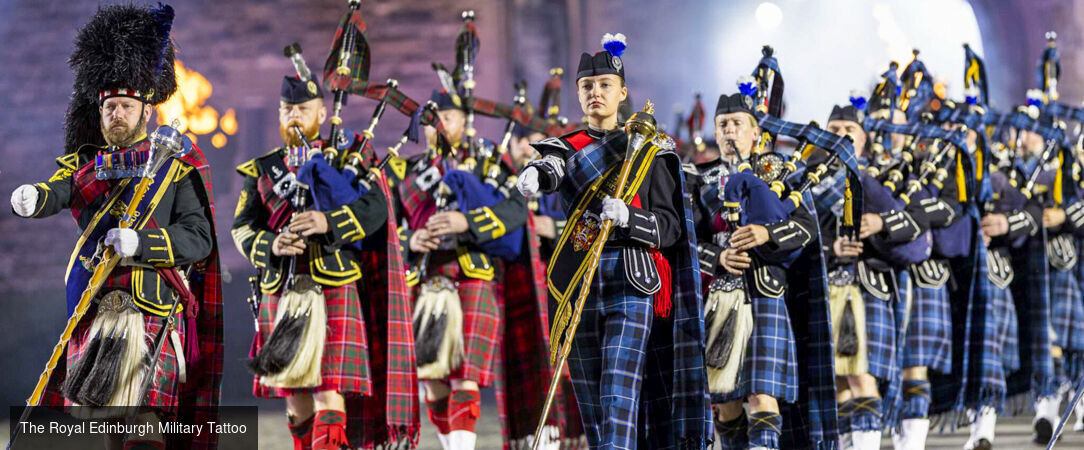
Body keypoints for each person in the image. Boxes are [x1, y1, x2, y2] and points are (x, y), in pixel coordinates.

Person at [9, 4, 222, 448]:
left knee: (143, 420)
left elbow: (198, 238)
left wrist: (139, 242)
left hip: (152, 307)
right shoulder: (88, 165)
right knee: (110, 423)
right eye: (109, 108)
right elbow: (60, 190)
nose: (115, 115)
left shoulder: (178, 165)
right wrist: (33, 199)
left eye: (125, 106)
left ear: (146, 111)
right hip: (98, 303)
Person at [518, 32, 711, 449]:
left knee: (617, 392)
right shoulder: (564, 148)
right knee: (591, 399)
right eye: (586, 86)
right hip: (578, 279)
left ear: (622, 92)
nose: (595, 93)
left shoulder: (651, 152)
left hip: (632, 279)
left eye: (604, 85)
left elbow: (671, 227)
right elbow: (552, 165)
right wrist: (538, 174)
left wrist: (630, 218)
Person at [232, 66, 418, 449]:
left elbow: (376, 208)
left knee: (329, 391)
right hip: (282, 288)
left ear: (322, 113)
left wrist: (327, 220)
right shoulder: (263, 169)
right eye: (287, 110)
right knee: (297, 401)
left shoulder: (348, 157)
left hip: (334, 282)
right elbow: (242, 228)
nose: (294, 116)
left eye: (303, 109)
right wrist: (272, 245)